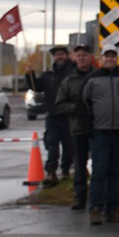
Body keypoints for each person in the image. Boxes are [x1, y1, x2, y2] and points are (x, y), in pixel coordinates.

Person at [79, 48, 119, 225]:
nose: (110, 59)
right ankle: (96, 209)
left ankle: (114, 209)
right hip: (100, 133)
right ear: (101, 58)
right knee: (99, 172)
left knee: (117, 173)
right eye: (107, 56)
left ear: (117, 58)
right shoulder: (91, 79)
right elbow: (82, 105)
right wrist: (88, 128)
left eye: (113, 56)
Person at [49, 45, 96, 209]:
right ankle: (79, 197)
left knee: (99, 164)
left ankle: (98, 196)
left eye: (85, 54)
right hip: (78, 128)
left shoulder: (98, 77)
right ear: (75, 58)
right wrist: (76, 108)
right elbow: (59, 104)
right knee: (80, 164)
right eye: (79, 55)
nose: (82, 58)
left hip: (98, 127)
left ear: (91, 57)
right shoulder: (69, 81)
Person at [35, 46, 73, 188]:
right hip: (52, 115)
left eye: (62, 54)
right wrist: (30, 75)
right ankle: (51, 171)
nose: (59, 57)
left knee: (69, 145)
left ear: (67, 55)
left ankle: (65, 170)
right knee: (52, 143)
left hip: (68, 115)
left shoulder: (71, 72)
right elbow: (37, 87)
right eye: (57, 55)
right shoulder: (48, 75)